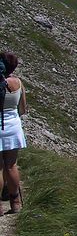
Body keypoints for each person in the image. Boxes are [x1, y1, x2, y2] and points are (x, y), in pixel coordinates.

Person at [0, 52, 27, 215]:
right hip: (13, 127)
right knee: (11, 166)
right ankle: (15, 203)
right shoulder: (18, 82)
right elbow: (23, 109)